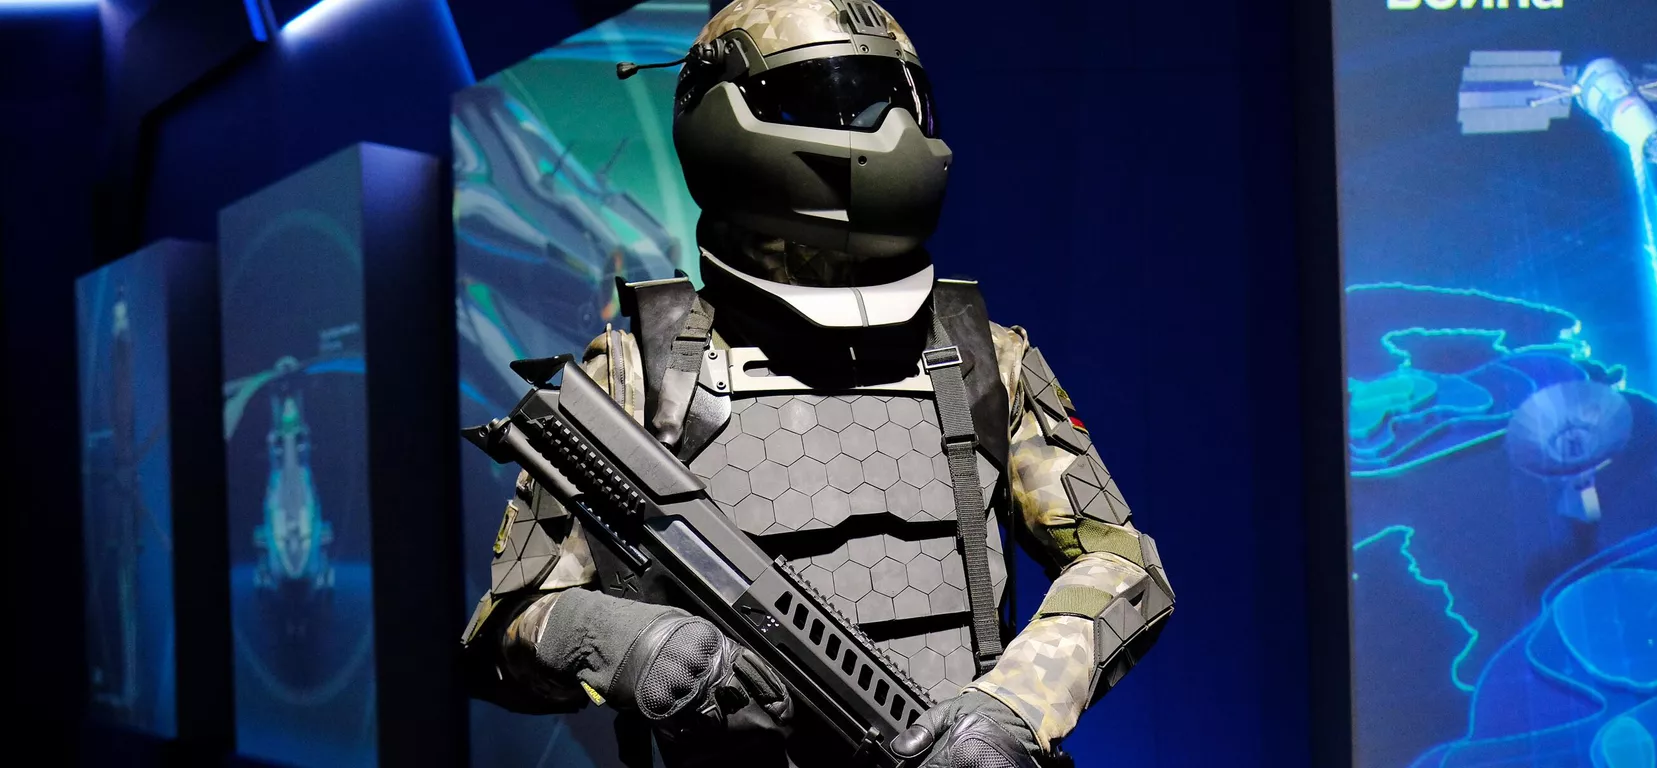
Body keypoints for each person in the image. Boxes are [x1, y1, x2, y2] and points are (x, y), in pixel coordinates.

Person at [460, 2, 1175, 766]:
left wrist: (1012, 707)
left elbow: (1125, 568)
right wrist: (624, 642)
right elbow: (507, 630)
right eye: (835, 101)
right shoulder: (642, 374)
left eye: (897, 100)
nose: (887, 131)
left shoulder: (981, 355)